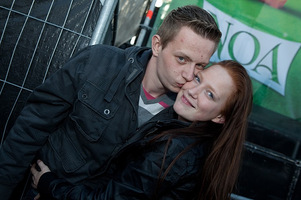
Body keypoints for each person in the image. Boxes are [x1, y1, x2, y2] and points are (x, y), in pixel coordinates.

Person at [0, 5, 222, 200]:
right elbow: (30, 129)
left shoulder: (184, 120)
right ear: (157, 45)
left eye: (200, 65)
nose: (189, 74)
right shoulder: (98, 63)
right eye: (182, 59)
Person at [30, 60, 253, 200]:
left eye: (210, 94)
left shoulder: (174, 150)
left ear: (219, 116)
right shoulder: (196, 143)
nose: (194, 90)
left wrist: (49, 184)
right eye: (198, 78)